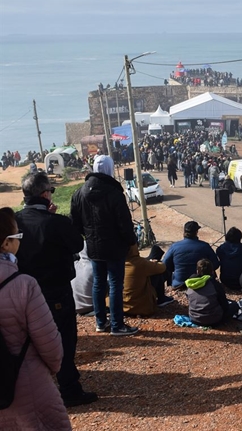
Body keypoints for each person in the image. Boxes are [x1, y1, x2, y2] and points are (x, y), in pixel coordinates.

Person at [15, 172, 98, 406]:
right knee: (62, 340)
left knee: (28, 342)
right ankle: (70, 389)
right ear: (45, 194)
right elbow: (77, 244)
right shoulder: (58, 223)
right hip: (55, 291)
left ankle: (34, 390)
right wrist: (56, 220)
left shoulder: (14, 221)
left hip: (21, 291)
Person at [0, 207, 72, 430]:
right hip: (25, 383)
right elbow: (50, 344)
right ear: (6, 243)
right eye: (17, 236)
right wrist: (52, 369)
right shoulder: (23, 284)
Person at [71, 154, 139, 337]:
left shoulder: (79, 193)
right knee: (116, 284)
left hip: (93, 246)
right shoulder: (115, 193)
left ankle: (101, 322)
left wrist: (89, 235)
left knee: (99, 284)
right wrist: (131, 241)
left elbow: (75, 223)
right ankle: (117, 325)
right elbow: (125, 223)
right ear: (109, 169)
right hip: (115, 247)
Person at [163, 221, 219, 290]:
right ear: (196, 232)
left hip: (179, 284)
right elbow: (215, 264)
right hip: (202, 283)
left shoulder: (174, 246)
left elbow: (165, 264)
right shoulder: (205, 246)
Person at [185, 259, 239, 327]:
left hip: (194, 319)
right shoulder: (215, 284)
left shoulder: (190, 283)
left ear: (197, 271)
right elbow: (224, 306)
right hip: (214, 320)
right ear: (212, 272)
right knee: (235, 305)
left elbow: (189, 298)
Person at [123, 243, 168, 316]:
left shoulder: (117, 262)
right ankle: (161, 299)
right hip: (139, 307)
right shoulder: (140, 263)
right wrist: (155, 263)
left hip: (120, 305)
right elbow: (162, 268)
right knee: (156, 272)